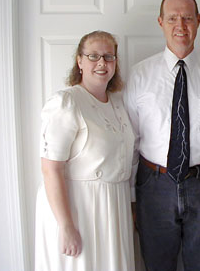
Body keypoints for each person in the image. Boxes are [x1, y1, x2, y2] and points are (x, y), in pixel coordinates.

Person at [125, 0, 200, 271]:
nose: (181, 25)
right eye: (173, 18)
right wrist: (130, 199)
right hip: (153, 186)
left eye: (188, 17)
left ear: (198, 21)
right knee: (157, 265)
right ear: (160, 21)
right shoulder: (139, 75)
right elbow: (131, 142)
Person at [35, 31, 136, 270]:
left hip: (114, 206)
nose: (102, 63)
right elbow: (51, 169)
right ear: (79, 61)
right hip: (79, 209)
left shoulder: (118, 104)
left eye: (108, 56)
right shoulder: (65, 103)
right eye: (93, 56)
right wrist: (66, 226)